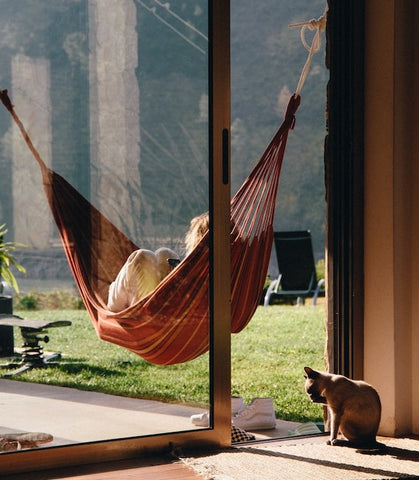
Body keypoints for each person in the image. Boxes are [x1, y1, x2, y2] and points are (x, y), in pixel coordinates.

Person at [107, 212, 209, 312]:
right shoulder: (204, 269)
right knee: (165, 254)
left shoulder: (204, 270)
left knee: (143, 256)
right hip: (158, 309)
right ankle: (147, 310)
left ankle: (144, 314)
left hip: (138, 312)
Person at [107, 247, 180, 312]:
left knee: (163, 253)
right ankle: (146, 308)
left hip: (155, 305)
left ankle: (147, 308)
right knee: (153, 254)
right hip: (125, 303)